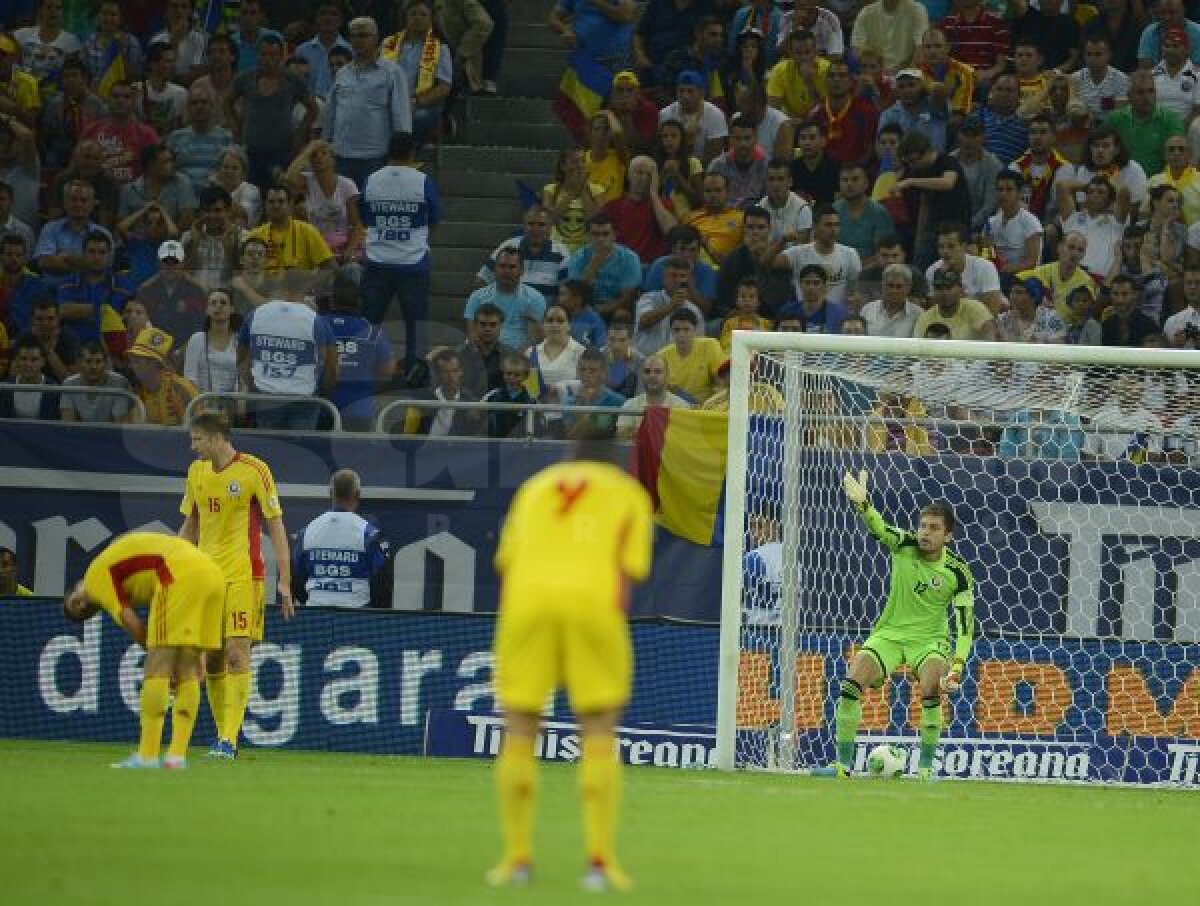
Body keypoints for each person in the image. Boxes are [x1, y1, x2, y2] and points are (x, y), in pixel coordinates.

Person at [486, 430, 654, 891]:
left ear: (570, 455)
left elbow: (506, 560)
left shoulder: (535, 486)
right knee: (598, 729)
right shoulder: (628, 494)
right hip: (591, 606)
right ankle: (599, 864)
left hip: (527, 606)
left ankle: (516, 861)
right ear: (613, 460)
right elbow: (633, 568)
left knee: (519, 728)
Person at [814, 472, 975, 780]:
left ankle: (926, 769)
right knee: (850, 684)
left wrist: (956, 666)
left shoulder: (959, 572)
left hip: (930, 641)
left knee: (931, 687)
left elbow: (966, 627)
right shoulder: (904, 545)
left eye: (934, 528)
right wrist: (863, 505)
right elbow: (880, 526)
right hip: (888, 634)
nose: (925, 533)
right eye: (923, 526)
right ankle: (842, 767)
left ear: (948, 535)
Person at [63, 532, 226, 769]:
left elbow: (131, 621)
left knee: (156, 669)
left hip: (177, 573)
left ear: (78, 592)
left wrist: (158, 657)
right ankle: (175, 757)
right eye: (80, 609)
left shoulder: (94, 580)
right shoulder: (107, 566)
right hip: (212, 573)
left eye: (74, 602)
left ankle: (147, 755)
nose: (80, 603)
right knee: (188, 672)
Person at [360, 132, 440, 378]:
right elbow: (435, 215)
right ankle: (415, 376)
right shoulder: (422, 180)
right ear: (412, 154)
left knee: (368, 323)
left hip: (376, 261)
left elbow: (364, 215)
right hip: (412, 263)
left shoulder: (371, 179)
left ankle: (360, 370)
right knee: (416, 326)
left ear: (388, 151)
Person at [237, 275, 339, 431]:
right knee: (300, 452)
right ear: (303, 291)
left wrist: (254, 385)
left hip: (266, 395)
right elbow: (332, 367)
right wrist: (323, 393)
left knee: (269, 452)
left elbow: (240, 360)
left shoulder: (255, 315)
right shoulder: (315, 320)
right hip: (304, 398)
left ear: (279, 288)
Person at [293, 468, 391, 609]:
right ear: (357, 495)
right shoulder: (369, 533)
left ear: (331, 494)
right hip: (357, 614)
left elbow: (296, 578)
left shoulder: (307, 532)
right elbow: (382, 581)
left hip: (315, 614)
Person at [227, 34, 316, 188]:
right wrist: (236, 127)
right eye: (264, 54)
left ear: (282, 56)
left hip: (282, 152)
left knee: (278, 195)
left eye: (273, 55)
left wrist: (299, 135)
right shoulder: (244, 78)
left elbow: (313, 109)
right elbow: (227, 103)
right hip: (251, 151)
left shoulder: (293, 79)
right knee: (251, 196)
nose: (268, 59)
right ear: (258, 55)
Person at [321, 270, 395, 431]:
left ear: (332, 302)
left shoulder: (317, 325)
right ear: (359, 302)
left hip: (322, 406)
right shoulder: (372, 332)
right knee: (354, 455)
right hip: (359, 407)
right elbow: (388, 369)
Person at [380, 0, 456, 143]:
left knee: (418, 119)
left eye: (423, 14)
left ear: (431, 19)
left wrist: (417, 102)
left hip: (422, 103)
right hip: (388, 100)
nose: (417, 18)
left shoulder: (441, 48)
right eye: (413, 14)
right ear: (405, 18)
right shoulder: (388, 44)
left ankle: (407, 157)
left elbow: (444, 87)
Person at [476, 205, 569, 305]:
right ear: (524, 226)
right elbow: (482, 279)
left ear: (551, 227)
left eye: (541, 225)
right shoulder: (509, 246)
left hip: (545, 317)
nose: (535, 229)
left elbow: (566, 291)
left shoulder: (561, 252)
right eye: (531, 224)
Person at [774, 204, 862, 307]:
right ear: (815, 227)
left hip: (837, 319)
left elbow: (854, 291)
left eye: (836, 225)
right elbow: (768, 263)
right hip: (804, 318)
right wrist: (782, 241)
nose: (833, 230)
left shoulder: (850, 254)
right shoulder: (798, 253)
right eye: (828, 225)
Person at [463, 247, 547, 351]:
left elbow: (534, 339)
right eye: (502, 266)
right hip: (483, 354)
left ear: (521, 270)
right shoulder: (477, 297)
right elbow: (472, 334)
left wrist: (515, 361)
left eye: (512, 267)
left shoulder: (535, 298)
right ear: (494, 269)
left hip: (521, 357)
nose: (506, 271)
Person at [565, 212, 643, 320]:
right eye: (595, 234)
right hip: (585, 306)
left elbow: (627, 298)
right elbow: (575, 294)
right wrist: (593, 266)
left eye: (605, 234)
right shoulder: (578, 257)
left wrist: (601, 309)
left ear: (615, 235)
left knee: (622, 315)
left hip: (616, 307)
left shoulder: (630, 258)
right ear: (587, 236)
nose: (600, 239)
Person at [603, 155, 677, 265]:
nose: (643, 178)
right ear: (629, 175)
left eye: (649, 175)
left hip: (651, 267)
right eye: (639, 172)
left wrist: (654, 194)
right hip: (621, 266)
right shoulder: (613, 206)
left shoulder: (664, 205)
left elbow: (672, 233)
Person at [633, 255, 705, 357]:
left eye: (682, 276)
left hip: (678, 366)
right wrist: (671, 306)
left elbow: (699, 345)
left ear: (688, 280)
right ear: (664, 278)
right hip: (645, 362)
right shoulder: (648, 298)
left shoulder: (693, 310)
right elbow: (644, 321)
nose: (678, 280)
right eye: (673, 275)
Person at [127, 327, 198, 426]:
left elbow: (202, 427)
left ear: (156, 363)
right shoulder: (136, 391)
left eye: (138, 360)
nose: (132, 365)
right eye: (133, 359)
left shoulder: (181, 388)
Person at [658, 69, 728, 164]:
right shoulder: (666, 114)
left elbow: (714, 155)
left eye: (690, 91)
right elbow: (662, 150)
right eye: (681, 91)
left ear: (702, 93)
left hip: (710, 169)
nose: (685, 96)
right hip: (674, 164)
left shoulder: (716, 115)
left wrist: (694, 170)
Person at [183, 288, 241, 401]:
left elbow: (242, 380)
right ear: (207, 310)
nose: (218, 306)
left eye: (223, 302)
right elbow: (189, 380)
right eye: (213, 303)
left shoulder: (239, 340)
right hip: (201, 404)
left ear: (232, 309)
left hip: (232, 405)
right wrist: (200, 406)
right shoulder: (197, 339)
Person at [615, 352, 690, 438]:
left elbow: (685, 439)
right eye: (647, 371)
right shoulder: (630, 405)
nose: (652, 376)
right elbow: (621, 436)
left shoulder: (682, 406)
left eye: (658, 372)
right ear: (642, 375)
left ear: (667, 376)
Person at [59, 341, 135, 424]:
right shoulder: (69, 384)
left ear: (105, 363)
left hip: (110, 435)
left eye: (98, 361)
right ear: (79, 362)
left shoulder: (120, 383)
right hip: (80, 436)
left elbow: (119, 426)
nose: (93, 367)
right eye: (88, 361)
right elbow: (67, 425)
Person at [658, 307, 722, 403]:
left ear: (695, 330)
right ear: (671, 331)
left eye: (686, 329)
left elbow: (721, 381)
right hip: (677, 408)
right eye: (677, 330)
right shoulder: (661, 356)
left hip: (708, 408)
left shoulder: (710, 345)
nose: (681, 334)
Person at [914, 267, 996, 341]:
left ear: (961, 289)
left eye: (949, 288)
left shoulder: (975, 308)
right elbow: (918, 349)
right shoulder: (925, 318)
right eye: (939, 288)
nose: (944, 293)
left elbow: (990, 339)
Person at [456, 301, 516, 398]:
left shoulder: (511, 355)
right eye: (483, 324)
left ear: (501, 326)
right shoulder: (459, 354)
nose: (487, 329)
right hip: (466, 409)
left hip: (500, 408)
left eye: (493, 325)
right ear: (475, 325)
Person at [482, 352, 542, 438]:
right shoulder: (493, 395)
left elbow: (535, 427)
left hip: (520, 445)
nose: (512, 378)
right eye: (508, 373)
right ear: (503, 373)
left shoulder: (531, 400)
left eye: (517, 375)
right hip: (495, 443)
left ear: (525, 376)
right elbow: (478, 413)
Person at [0, 334, 59, 421]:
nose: (28, 364)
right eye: (23, 359)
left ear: (43, 362)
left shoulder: (55, 390)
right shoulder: (4, 389)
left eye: (34, 360)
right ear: (16, 361)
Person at [860, 263, 923, 338]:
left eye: (899, 287)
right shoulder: (867, 309)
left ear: (908, 288)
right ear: (882, 285)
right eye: (890, 285)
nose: (894, 290)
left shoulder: (918, 314)